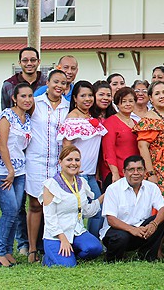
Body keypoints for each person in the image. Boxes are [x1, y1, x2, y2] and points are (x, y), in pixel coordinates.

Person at [25, 69, 69, 263]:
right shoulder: (36, 103)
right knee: (35, 205)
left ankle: (55, 245)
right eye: (55, 82)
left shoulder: (68, 106)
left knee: (55, 206)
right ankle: (32, 249)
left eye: (63, 83)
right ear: (48, 83)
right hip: (36, 160)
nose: (59, 86)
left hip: (58, 163)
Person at [58, 80, 108, 239]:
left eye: (90, 95)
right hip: (79, 174)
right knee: (86, 210)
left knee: (97, 208)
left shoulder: (90, 116)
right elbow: (67, 146)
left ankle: (91, 241)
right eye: (83, 96)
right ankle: (85, 242)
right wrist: (73, 169)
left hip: (91, 173)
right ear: (75, 98)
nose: (87, 99)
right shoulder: (72, 118)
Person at [41, 145, 104, 267]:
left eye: (77, 160)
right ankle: (49, 258)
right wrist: (63, 239)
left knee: (95, 248)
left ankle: (70, 255)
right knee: (68, 266)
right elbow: (50, 218)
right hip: (56, 235)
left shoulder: (82, 183)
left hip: (76, 231)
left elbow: (87, 212)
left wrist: (102, 198)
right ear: (60, 162)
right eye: (69, 160)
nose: (73, 163)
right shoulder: (51, 185)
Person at [0, 82, 33, 267]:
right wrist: (9, 170)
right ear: (14, 98)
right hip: (3, 171)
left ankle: (7, 251)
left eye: (30, 96)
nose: (27, 100)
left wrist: (16, 170)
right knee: (9, 210)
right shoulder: (6, 116)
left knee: (16, 211)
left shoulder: (28, 119)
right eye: (23, 96)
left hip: (20, 171)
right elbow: (1, 144)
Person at [100, 155, 164, 262]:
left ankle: (147, 255)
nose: (136, 173)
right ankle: (113, 259)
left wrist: (153, 224)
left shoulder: (151, 187)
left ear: (145, 171)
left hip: (142, 231)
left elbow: (163, 209)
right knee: (120, 237)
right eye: (131, 169)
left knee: (161, 220)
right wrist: (132, 230)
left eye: (139, 169)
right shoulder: (113, 188)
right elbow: (111, 220)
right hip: (119, 231)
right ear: (124, 171)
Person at [134, 81, 164, 232]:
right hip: (158, 164)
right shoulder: (149, 119)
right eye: (157, 93)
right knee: (159, 201)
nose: (162, 96)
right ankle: (155, 242)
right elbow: (143, 146)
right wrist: (150, 173)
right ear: (150, 98)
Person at [102, 87, 140, 191]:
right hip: (117, 173)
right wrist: (115, 173)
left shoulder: (136, 123)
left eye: (131, 101)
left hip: (134, 173)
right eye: (124, 101)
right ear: (117, 104)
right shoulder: (110, 122)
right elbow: (108, 150)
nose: (128, 104)